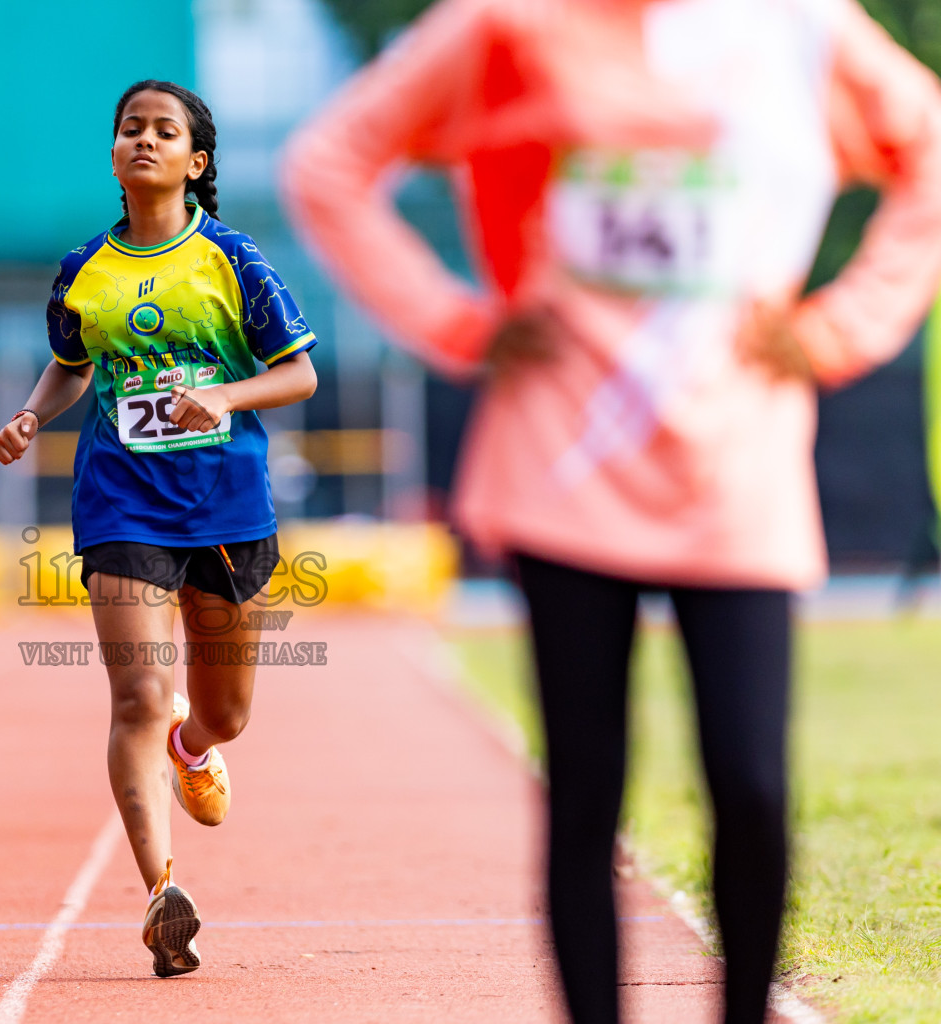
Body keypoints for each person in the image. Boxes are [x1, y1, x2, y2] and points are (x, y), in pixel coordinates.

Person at [281, 2, 941, 1022]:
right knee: (588, 792)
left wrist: (842, 327)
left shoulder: (800, 27)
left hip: (737, 464)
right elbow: (328, 163)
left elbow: (930, 147)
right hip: (565, 457)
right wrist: (455, 321)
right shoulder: (507, 23)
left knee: (753, 784)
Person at [0, 80, 318, 978]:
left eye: (163, 131)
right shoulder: (83, 270)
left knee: (227, 713)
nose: (144, 140)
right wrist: (31, 415)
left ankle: (192, 745)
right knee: (136, 693)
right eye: (130, 128)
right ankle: (162, 894)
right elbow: (69, 365)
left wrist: (222, 392)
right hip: (122, 503)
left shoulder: (233, 259)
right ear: (113, 154)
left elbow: (298, 378)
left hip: (225, 504)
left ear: (194, 161)